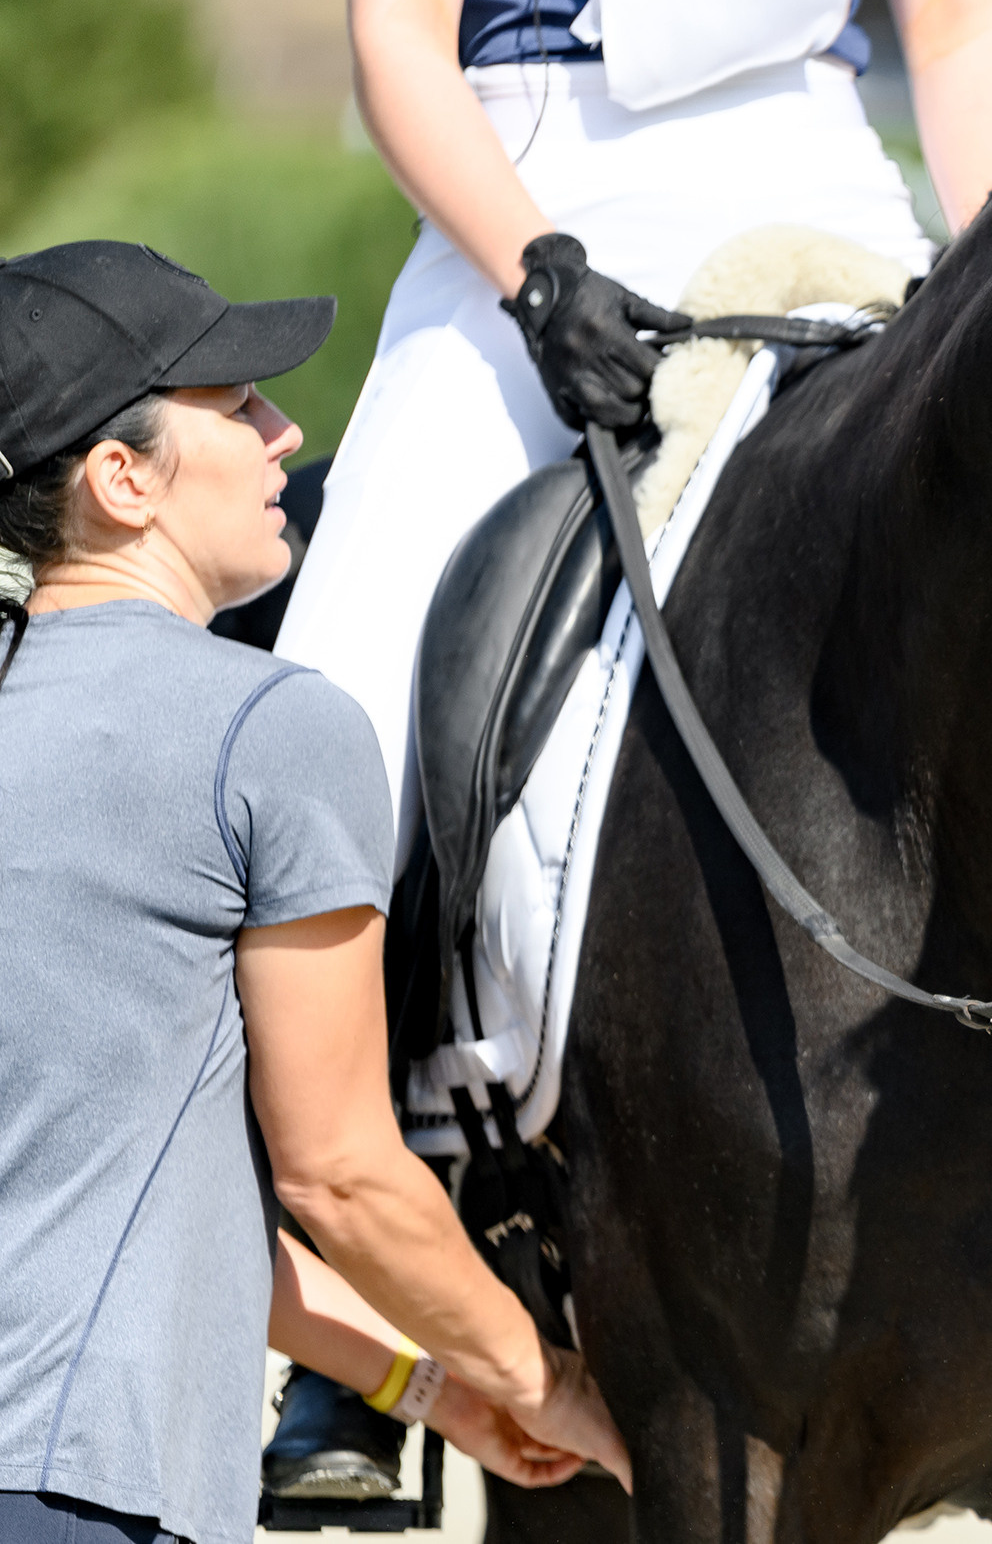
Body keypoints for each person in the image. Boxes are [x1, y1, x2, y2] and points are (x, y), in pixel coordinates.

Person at [261, 0, 992, 1490]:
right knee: (344, 699)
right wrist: (534, 271)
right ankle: (380, 1289)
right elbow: (396, 32)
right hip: (530, 191)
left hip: (832, 181)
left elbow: (955, 4)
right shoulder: (523, 231)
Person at [0, 241, 629, 1544]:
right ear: (122, 480)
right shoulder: (267, 727)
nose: (288, 433)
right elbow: (339, 1171)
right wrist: (542, 1380)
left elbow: (147, 1205)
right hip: (79, 1483)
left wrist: (427, 1385)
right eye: (236, 407)